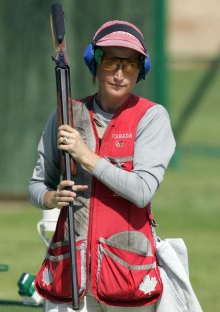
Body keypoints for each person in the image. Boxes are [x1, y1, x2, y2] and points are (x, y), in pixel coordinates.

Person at [29, 20, 176, 312]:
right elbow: (37, 185)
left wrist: (85, 156)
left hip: (128, 274)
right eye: (110, 61)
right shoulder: (66, 114)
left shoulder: (152, 117)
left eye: (131, 64)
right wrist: (52, 197)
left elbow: (142, 191)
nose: (120, 74)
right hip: (71, 272)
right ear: (95, 63)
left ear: (140, 71)